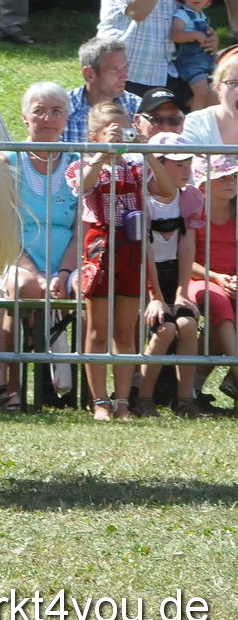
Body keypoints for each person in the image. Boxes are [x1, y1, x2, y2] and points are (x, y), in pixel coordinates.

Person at [0, 82, 81, 410]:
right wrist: (38, 274)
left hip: (65, 266)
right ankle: (12, 389)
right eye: (39, 110)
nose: (48, 118)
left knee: (87, 283)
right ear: (24, 117)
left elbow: (80, 228)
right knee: (26, 286)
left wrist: (65, 271)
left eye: (56, 111)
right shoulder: (8, 161)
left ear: (67, 118)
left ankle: (80, 391)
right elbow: (6, 229)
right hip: (14, 261)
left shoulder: (77, 162)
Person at [73, 100, 164, 421]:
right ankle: (99, 402)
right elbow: (82, 187)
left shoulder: (138, 165)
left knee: (125, 333)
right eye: (113, 131)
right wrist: (102, 154)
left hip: (132, 248)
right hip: (99, 247)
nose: (120, 136)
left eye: (125, 129)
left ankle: (122, 402)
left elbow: (166, 190)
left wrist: (146, 149)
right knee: (97, 331)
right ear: (95, 136)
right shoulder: (86, 161)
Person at [134, 132, 204, 418]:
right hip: (142, 276)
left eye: (188, 163)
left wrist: (181, 292)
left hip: (174, 274)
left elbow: (187, 244)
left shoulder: (190, 197)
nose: (187, 171)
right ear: (157, 165)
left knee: (187, 325)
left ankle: (185, 400)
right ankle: (143, 399)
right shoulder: (140, 197)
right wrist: (156, 296)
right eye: (178, 165)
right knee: (166, 329)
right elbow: (144, 249)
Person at [186, 153, 238, 412]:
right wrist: (216, 277)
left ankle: (196, 387)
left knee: (228, 313)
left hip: (231, 279)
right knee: (220, 305)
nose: (231, 182)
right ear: (204, 184)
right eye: (223, 177)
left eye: (235, 177)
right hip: (198, 278)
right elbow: (185, 261)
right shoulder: (196, 213)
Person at [64, 37, 142, 144]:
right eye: (115, 69)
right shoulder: (62, 108)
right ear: (90, 74)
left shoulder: (138, 108)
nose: (125, 77)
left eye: (125, 68)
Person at [173, 0, 219, 109]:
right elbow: (175, 34)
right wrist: (194, 35)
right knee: (202, 92)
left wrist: (210, 33)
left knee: (218, 90)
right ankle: (194, 123)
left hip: (206, 60)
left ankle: (212, 122)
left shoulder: (201, 15)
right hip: (190, 62)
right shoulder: (182, 14)